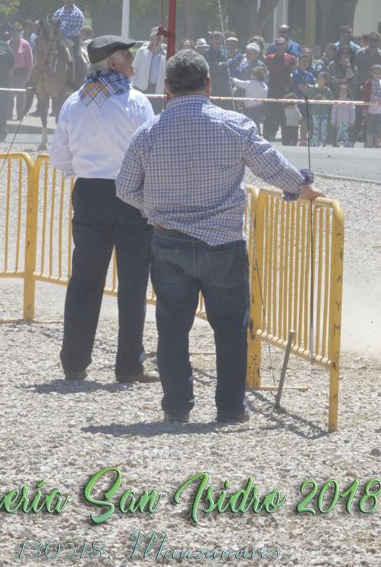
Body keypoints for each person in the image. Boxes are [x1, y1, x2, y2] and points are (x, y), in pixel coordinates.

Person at [115, 50, 323, 424]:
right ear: (209, 85)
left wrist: (155, 209)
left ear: (167, 88)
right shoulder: (235, 125)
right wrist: (302, 186)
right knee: (230, 329)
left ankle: (177, 406)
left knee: (172, 328)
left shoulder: (147, 133)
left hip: (169, 241)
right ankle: (230, 408)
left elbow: (125, 188)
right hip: (223, 243)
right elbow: (271, 166)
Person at [50, 35, 157, 385]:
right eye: (127, 56)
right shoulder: (136, 102)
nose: (132, 61)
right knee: (133, 282)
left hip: (89, 192)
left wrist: (85, 171)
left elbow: (60, 157)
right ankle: (129, 364)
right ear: (112, 62)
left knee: (84, 279)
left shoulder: (73, 103)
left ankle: (74, 362)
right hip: (130, 194)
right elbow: (150, 151)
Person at [50, 0, 86, 84]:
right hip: (57, 40)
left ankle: (79, 81)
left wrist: (63, 34)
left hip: (72, 41)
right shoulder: (58, 12)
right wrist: (55, 32)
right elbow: (53, 25)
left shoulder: (78, 13)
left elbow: (77, 29)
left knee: (78, 57)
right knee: (43, 52)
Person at [132, 28, 167, 113]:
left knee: (156, 112)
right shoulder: (142, 51)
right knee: (140, 111)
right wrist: (134, 84)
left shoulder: (166, 55)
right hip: (141, 88)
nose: (155, 40)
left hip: (158, 89)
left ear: (161, 40)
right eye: (152, 38)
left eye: (157, 38)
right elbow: (134, 68)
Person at [8, 23, 34, 121]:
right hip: (10, 73)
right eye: (14, 30)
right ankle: (8, 114)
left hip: (21, 73)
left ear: (20, 32)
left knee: (21, 96)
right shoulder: (7, 43)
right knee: (9, 95)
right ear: (11, 32)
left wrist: (29, 74)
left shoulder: (25, 44)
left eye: (18, 30)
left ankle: (20, 115)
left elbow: (30, 60)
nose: (16, 32)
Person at [362, 64, 381, 147]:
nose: (376, 75)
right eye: (375, 73)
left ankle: (377, 143)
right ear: (371, 73)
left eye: (378, 73)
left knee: (379, 128)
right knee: (370, 127)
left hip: (380, 111)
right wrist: (364, 108)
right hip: (370, 110)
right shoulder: (368, 83)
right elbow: (365, 96)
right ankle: (369, 143)